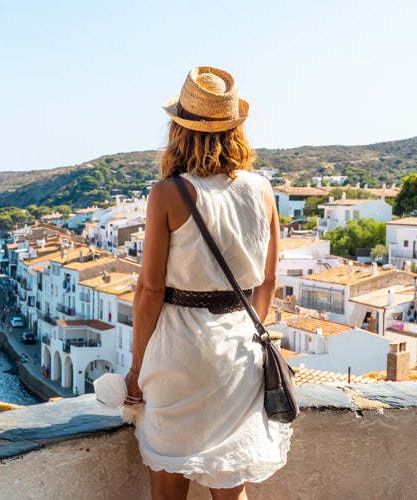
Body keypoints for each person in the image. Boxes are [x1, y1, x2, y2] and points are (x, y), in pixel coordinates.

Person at [124, 66, 292, 500]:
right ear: (235, 130)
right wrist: (246, 330)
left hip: (179, 350)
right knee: (230, 491)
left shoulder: (168, 193)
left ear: (178, 130)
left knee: (168, 488)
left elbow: (149, 292)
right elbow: (269, 278)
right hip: (238, 349)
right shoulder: (262, 189)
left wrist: (137, 369)